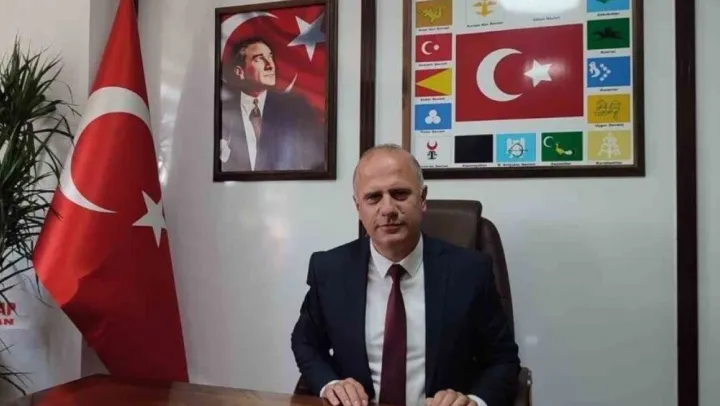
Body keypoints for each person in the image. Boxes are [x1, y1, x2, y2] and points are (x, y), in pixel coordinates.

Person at [290, 144, 521, 406]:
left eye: (399, 194)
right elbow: (305, 343)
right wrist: (330, 384)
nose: (388, 209)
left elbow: (503, 360)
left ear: (422, 199)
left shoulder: (470, 272)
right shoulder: (329, 270)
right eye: (373, 197)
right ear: (358, 206)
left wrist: (473, 401)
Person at [219, 36, 326, 172]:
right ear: (240, 72)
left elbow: (316, 159)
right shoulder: (222, 114)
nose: (270, 65)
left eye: (270, 57)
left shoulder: (296, 107)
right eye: (259, 59)